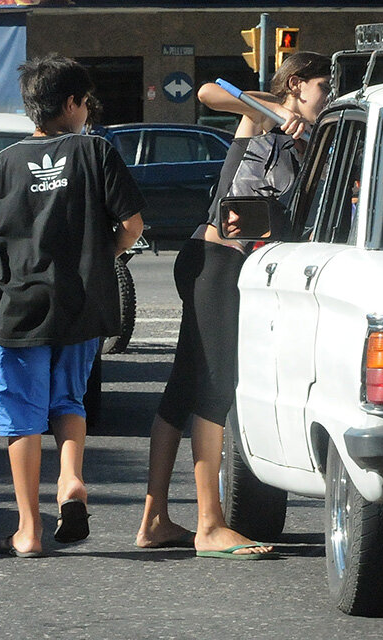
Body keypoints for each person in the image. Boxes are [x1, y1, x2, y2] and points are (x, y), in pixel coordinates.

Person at [135, 52, 331, 558]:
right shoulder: (258, 118)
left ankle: (154, 520)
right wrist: (270, 108)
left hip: (228, 266)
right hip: (216, 262)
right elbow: (207, 93)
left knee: (183, 389)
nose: (326, 97)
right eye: (321, 87)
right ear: (295, 85)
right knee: (216, 390)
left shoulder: (316, 143)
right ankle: (209, 525)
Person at [0, 53, 146, 557]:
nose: (87, 112)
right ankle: (70, 479)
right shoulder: (97, 152)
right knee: (69, 400)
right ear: (71, 103)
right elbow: (131, 226)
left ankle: (29, 530)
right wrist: (92, 253)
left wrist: (17, 252)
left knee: (21, 415)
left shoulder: (6, 161)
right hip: (84, 301)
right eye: (86, 104)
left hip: (24, 304)